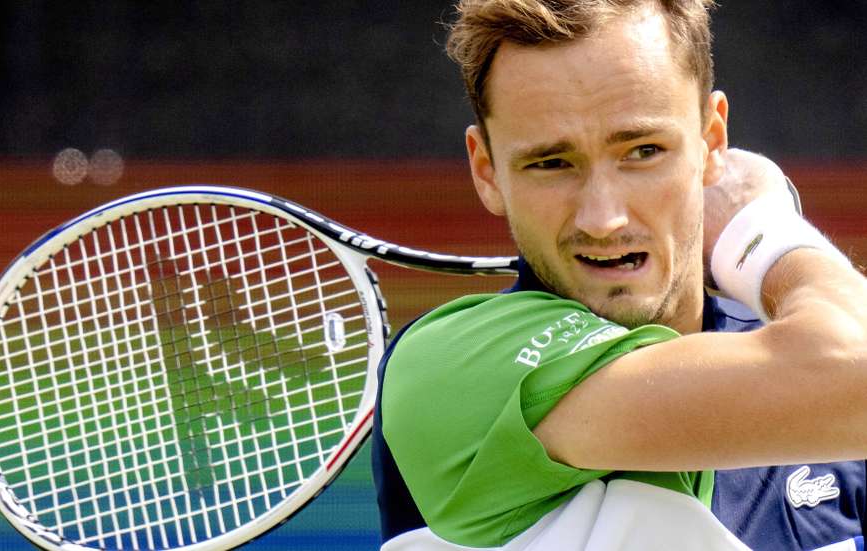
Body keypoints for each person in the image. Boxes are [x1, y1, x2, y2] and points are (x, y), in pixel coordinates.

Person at [371, 1, 867, 550]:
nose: (603, 219)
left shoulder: (813, 381)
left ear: (712, 141)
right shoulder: (446, 366)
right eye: (551, 163)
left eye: (643, 151)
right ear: (486, 171)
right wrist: (758, 228)